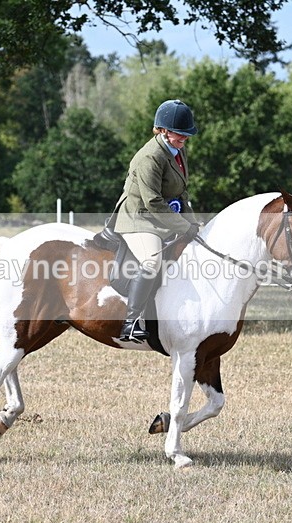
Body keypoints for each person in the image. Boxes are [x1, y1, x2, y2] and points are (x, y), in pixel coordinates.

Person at [113, 99, 201, 343]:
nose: (184, 138)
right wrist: (183, 227)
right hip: (138, 218)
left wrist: (192, 224)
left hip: (162, 216)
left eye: (186, 134)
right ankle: (130, 323)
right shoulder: (149, 157)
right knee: (152, 262)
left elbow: (182, 192)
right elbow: (152, 202)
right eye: (178, 134)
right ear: (162, 130)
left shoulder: (179, 150)